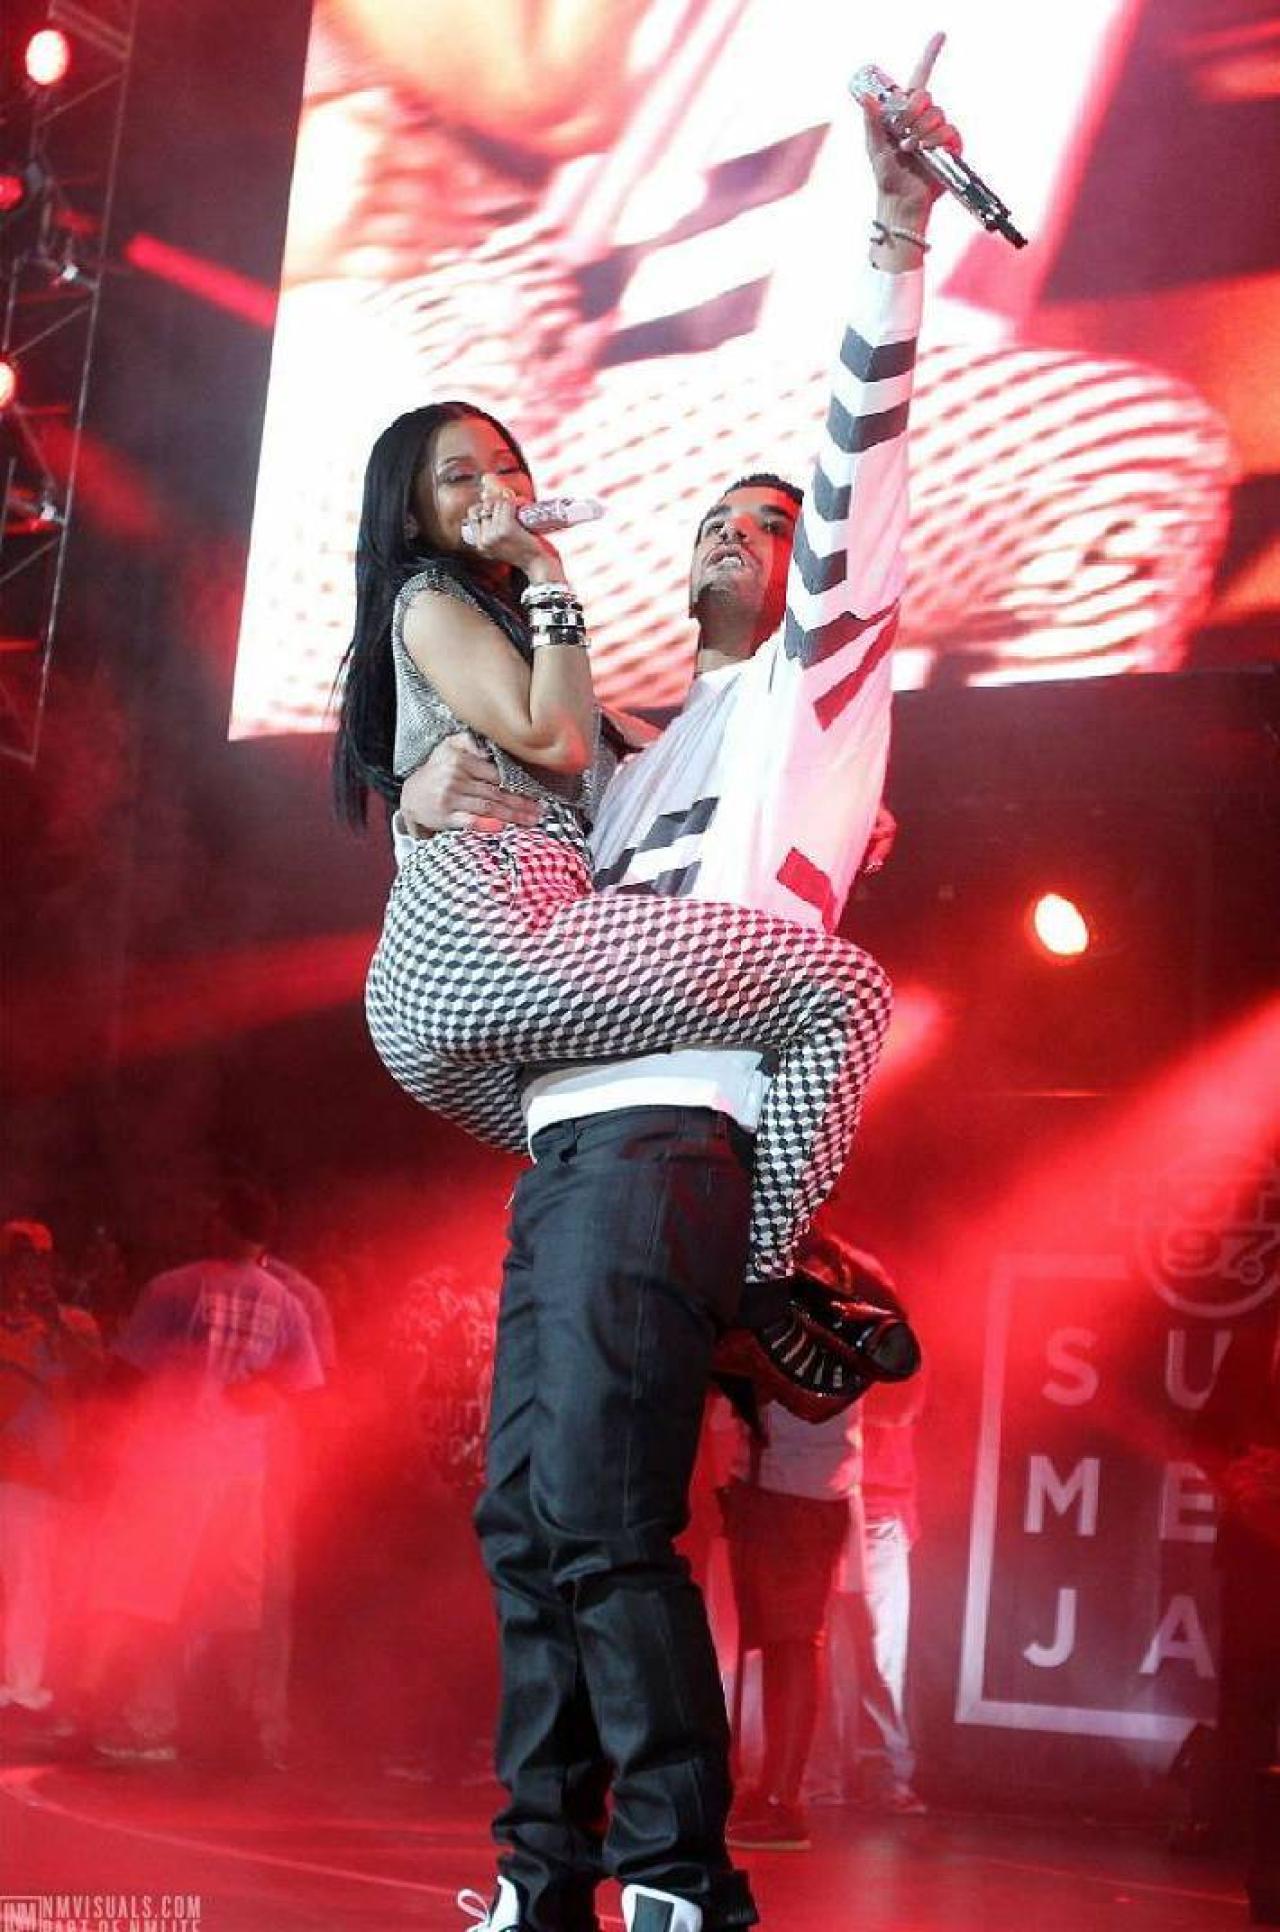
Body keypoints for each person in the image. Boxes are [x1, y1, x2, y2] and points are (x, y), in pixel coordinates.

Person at [397, 43, 955, 1932]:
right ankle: (540, 1870)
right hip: (566, 1150)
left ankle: (676, 1878)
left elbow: (861, 470)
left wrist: (890, 235)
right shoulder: (627, 763)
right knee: (522, 1523)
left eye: (766, 521)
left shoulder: (816, 699)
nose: (735, 529)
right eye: (714, 517)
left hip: (672, 1133)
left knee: (603, 1521)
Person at [77, 1182, 325, 1762]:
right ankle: (239, 1729)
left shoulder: (175, 1287)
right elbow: (308, 1391)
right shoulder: (285, 1301)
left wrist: (101, 1439)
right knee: (234, 1608)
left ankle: (145, 1722)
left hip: (172, 1465)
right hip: (242, 1473)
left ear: (222, 1225)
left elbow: (126, 1374)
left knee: (150, 1594)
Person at [0, 1221, 102, 1714]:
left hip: (41, 1476)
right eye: (17, 1259)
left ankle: (24, 1689)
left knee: (32, 1582)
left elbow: (98, 1381)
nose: (28, 1270)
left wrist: (55, 1324)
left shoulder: (75, 1323)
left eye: (38, 1259)